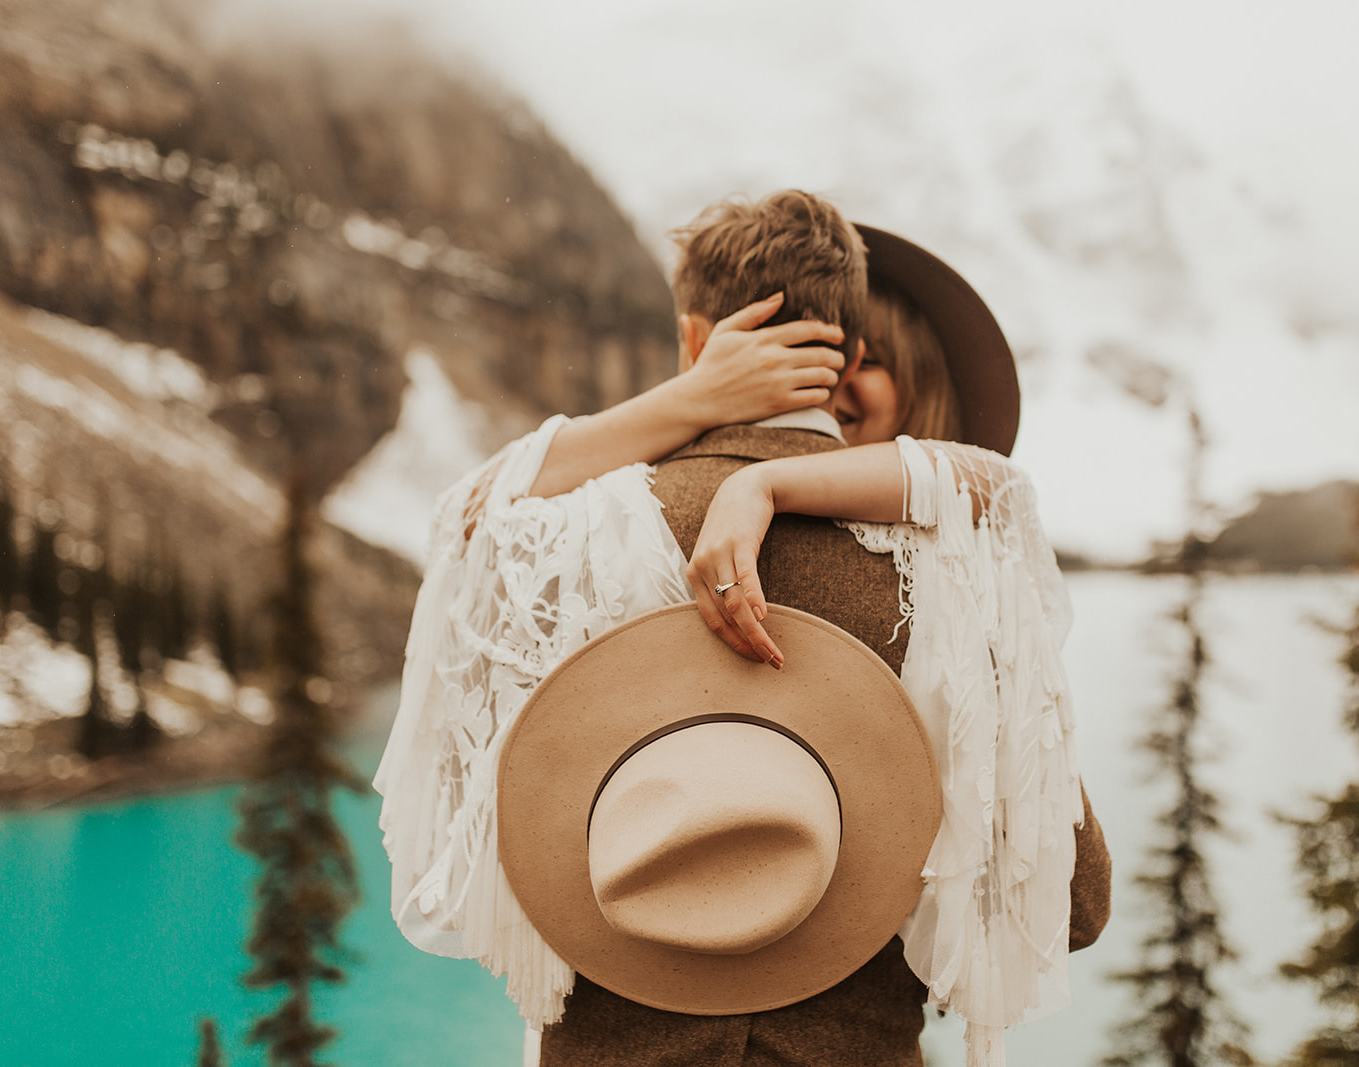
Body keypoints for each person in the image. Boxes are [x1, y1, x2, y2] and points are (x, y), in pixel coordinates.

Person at [374, 191, 1108, 1067]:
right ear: (851, 353)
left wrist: (686, 401)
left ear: (693, 339)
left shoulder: (568, 542)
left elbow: (466, 521)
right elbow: (1076, 903)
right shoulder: (944, 566)